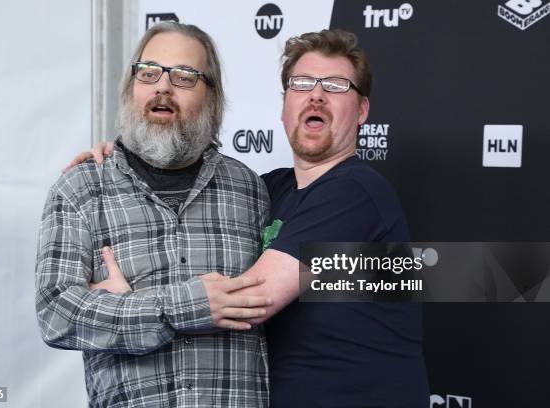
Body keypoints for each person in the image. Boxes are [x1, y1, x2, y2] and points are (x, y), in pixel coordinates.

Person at [74, 29, 429, 407]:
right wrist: (125, 158)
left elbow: (250, 299)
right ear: (285, 104)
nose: (317, 95)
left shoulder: (356, 192)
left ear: (361, 111)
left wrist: (132, 305)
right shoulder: (267, 189)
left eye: (337, 86)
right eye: (302, 83)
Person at [35, 22, 273, 407]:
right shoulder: (80, 189)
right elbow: (55, 314)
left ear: (211, 98)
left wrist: (119, 307)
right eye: (148, 73)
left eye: (184, 76)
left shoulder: (249, 189)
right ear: (131, 89)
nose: (163, 86)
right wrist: (184, 305)